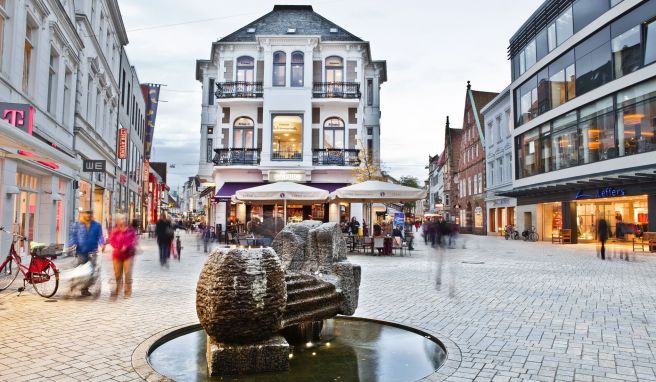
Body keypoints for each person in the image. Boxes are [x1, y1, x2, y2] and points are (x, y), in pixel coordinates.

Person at [68, 209, 104, 297]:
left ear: (92, 215)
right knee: (82, 270)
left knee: (91, 271)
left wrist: (102, 244)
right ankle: (76, 284)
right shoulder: (77, 225)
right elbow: (73, 235)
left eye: (89, 214)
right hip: (81, 251)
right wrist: (72, 244)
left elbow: (100, 236)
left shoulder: (97, 225)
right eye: (86, 214)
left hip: (92, 251)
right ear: (83, 214)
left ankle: (85, 289)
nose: (88, 216)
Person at [108, 214, 137, 299]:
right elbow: (111, 240)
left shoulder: (130, 230)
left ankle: (127, 292)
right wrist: (117, 247)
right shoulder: (114, 230)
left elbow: (133, 240)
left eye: (124, 219)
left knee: (127, 273)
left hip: (128, 255)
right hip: (117, 255)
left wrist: (126, 246)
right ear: (117, 221)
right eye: (121, 219)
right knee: (117, 274)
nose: (123, 220)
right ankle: (118, 288)